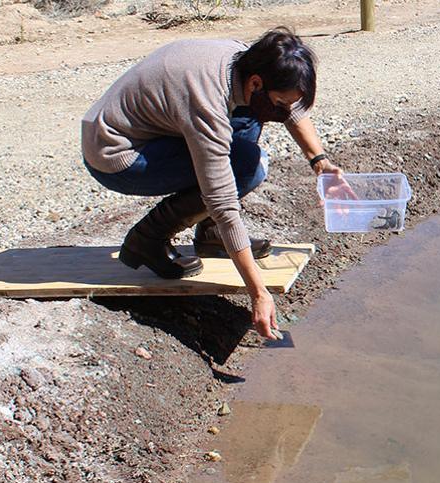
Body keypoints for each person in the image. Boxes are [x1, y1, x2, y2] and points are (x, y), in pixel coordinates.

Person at [81, 27, 341, 340]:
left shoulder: (248, 62)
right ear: (257, 83)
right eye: (280, 103)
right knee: (248, 167)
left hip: (145, 129)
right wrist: (258, 293)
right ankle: (147, 239)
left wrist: (319, 161)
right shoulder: (207, 102)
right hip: (115, 153)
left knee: (251, 115)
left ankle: (209, 235)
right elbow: (222, 200)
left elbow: (292, 107)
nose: (285, 112)